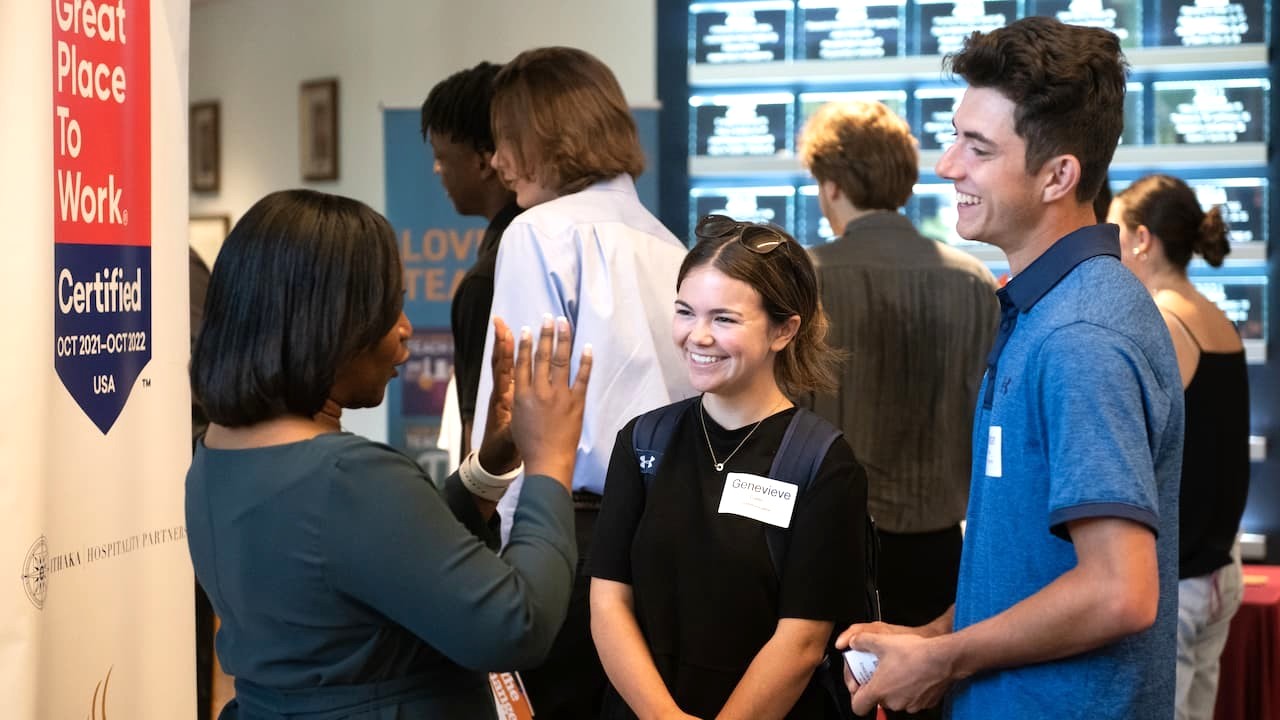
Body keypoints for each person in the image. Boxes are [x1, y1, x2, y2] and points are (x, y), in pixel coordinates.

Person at [837, 17, 1184, 720]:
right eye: (955, 136)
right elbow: (1034, 561)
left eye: (977, 147)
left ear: (1059, 175)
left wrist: (946, 658)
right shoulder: (1046, 307)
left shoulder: (1082, 333)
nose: (946, 166)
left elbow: (1120, 589)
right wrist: (932, 636)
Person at [186, 189, 591, 719]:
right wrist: (550, 462)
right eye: (386, 308)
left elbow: (379, 557)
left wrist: (490, 465)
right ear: (327, 320)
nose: (404, 329)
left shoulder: (214, 454)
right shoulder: (347, 477)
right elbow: (518, 625)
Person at [471, 45, 693, 717]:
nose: (497, 162)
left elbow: (518, 407)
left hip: (568, 536)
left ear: (542, 137)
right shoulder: (671, 245)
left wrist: (501, 545)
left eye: (504, 140)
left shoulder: (538, 234)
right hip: (673, 532)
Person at [590, 216, 870, 720]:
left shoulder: (821, 462)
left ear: (783, 330)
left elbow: (803, 640)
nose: (698, 336)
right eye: (685, 312)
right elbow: (608, 601)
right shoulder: (642, 442)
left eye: (724, 318)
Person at [799, 98, 998, 720]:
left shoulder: (805, 278)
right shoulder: (975, 282)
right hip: (942, 550)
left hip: (832, 548)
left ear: (829, 185)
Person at [1109, 174, 1250, 720]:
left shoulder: (1163, 323)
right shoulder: (1218, 320)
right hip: (1219, 573)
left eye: (1116, 229)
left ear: (1142, 239)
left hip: (1179, 579)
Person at [420, 61, 522, 456]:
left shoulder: (489, 278)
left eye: (442, 156)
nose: (436, 169)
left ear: (484, 161)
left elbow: (480, 443)